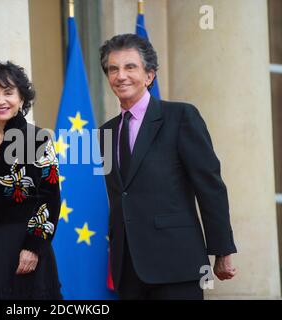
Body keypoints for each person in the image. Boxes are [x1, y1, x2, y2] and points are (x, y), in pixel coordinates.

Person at [98, 34, 237, 300]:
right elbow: (121, 196)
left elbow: (210, 186)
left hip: (176, 264)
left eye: (130, 67)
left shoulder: (181, 117)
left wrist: (222, 250)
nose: (121, 76)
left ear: (149, 75)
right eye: (113, 69)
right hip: (127, 269)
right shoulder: (104, 133)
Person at [0, 61, 62, 299]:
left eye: (8, 93)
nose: (0, 101)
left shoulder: (36, 139)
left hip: (23, 245)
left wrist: (33, 247)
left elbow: (50, 199)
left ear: (21, 98)